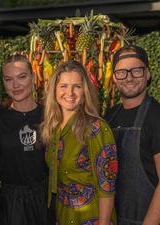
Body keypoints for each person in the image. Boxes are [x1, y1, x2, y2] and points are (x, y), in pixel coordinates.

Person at [104, 45, 160, 225]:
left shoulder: (159, 119)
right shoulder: (108, 116)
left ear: (148, 74)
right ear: (114, 77)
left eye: (136, 71)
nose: (129, 77)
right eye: (122, 72)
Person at [41, 60, 118, 225]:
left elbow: (107, 187)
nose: (70, 92)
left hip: (91, 217)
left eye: (77, 86)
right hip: (63, 215)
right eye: (63, 86)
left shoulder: (96, 128)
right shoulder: (53, 128)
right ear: (54, 90)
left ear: (85, 92)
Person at [0, 54, 52, 225]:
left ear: (33, 77)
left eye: (22, 77)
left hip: (46, 201)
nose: (16, 85)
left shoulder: (50, 115)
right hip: (12, 205)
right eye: (8, 79)